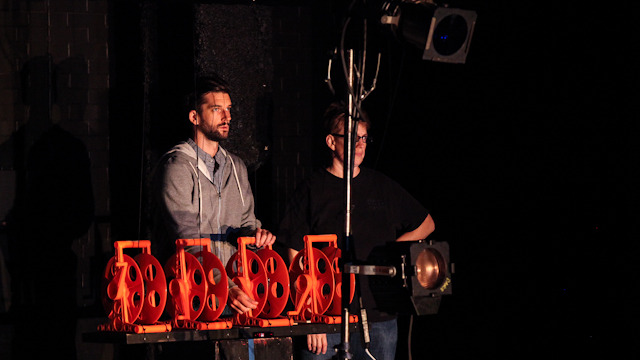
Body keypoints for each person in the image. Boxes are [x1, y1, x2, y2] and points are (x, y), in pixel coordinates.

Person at [277, 101, 435, 360]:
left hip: (379, 318)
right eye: (352, 137)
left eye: (363, 137)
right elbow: (293, 250)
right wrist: (309, 315)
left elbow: (426, 223)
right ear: (331, 142)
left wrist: (390, 253)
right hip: (325, 319)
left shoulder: (381, 186)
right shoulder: (312, 189)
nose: (360, 144)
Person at [151, 74, 275, 315]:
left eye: (228, 109)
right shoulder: (176, 167)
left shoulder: (236, 167)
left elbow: (247, 223)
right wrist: (224, 286)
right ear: (194, 117)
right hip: (190, 299)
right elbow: (188, 241)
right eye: (217, 109)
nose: (227, 117)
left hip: (235, 294)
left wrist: (256, 235)